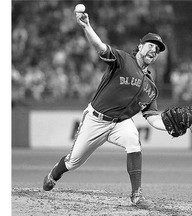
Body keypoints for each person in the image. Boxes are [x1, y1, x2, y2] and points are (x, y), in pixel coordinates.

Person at [43, 10, 168, 209]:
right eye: (151, 45)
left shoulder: (151, 87)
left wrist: (168, 127)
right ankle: (53, 174)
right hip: (96, 119)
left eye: (158, 49)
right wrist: (86, 26)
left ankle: (137, 195)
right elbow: (100, 48)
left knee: (134, 143)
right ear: (140, 46)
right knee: (73, 162)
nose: (154, 50)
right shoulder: (123, 60)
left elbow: (152, 118)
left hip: (120, 123)